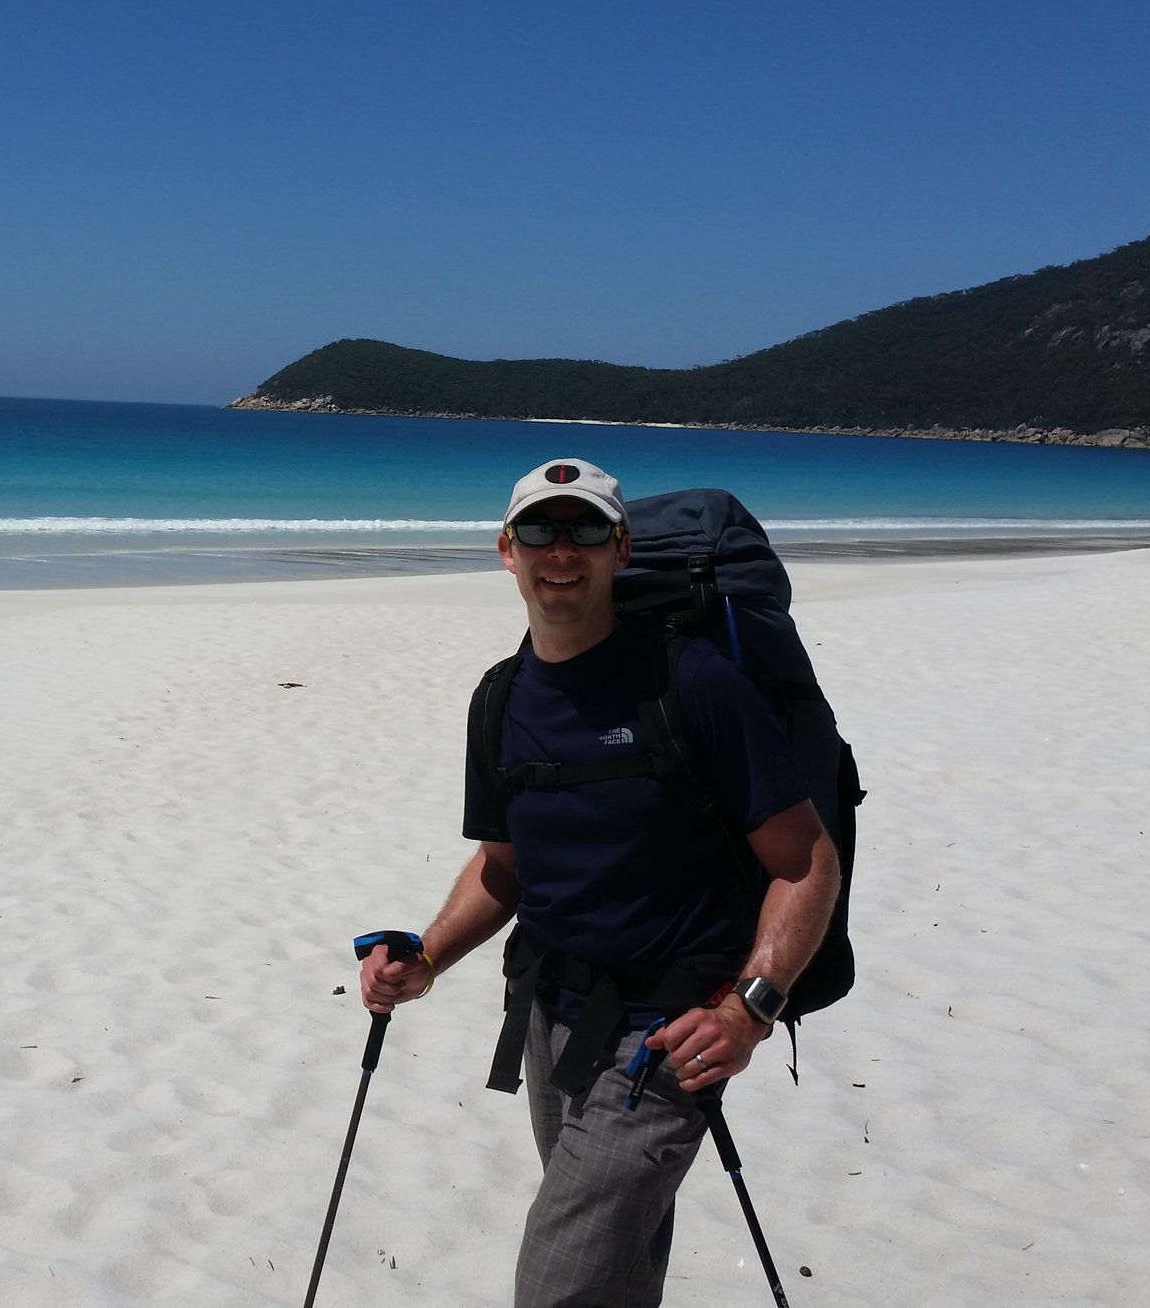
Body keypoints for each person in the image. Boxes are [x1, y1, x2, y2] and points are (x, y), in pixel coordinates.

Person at [358, 457, 840, 1308]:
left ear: (620, 550)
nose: (561, 550)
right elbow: (503, 866)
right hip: (549, 1017)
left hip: (669, 1034)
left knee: (559, 1277)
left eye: (585, 529)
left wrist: (750, 1010)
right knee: (612, 1266)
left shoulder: (694, 682)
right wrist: (426, 957)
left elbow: (805, 861)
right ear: (507, 550)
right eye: (540, 530)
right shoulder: (500, 699)